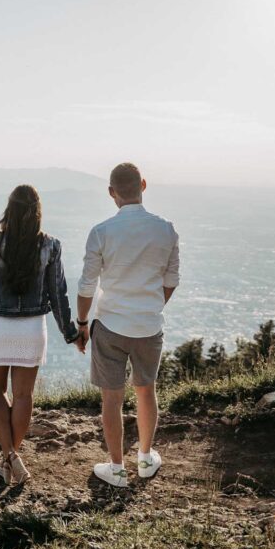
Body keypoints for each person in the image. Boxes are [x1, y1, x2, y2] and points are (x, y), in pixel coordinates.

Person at [0, 184, 80, 485]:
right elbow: (58, 294)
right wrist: (71, 332)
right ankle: (11, 455)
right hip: (31, 329)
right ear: (38, 213)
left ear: (8, 210)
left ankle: (9, 455)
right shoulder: (51, 246)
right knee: (24, 395)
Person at [75, 162, 180, 488]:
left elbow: (86, 286)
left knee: (112, 398)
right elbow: (171, 280)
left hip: (110, 324)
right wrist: (150, 306)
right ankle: (146, 458)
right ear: (144, 185)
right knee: (146, 391)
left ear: (112, 193)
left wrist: (81, 324)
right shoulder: (166, 230)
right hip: (148, 326)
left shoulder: (102, 232)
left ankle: (117, 467)